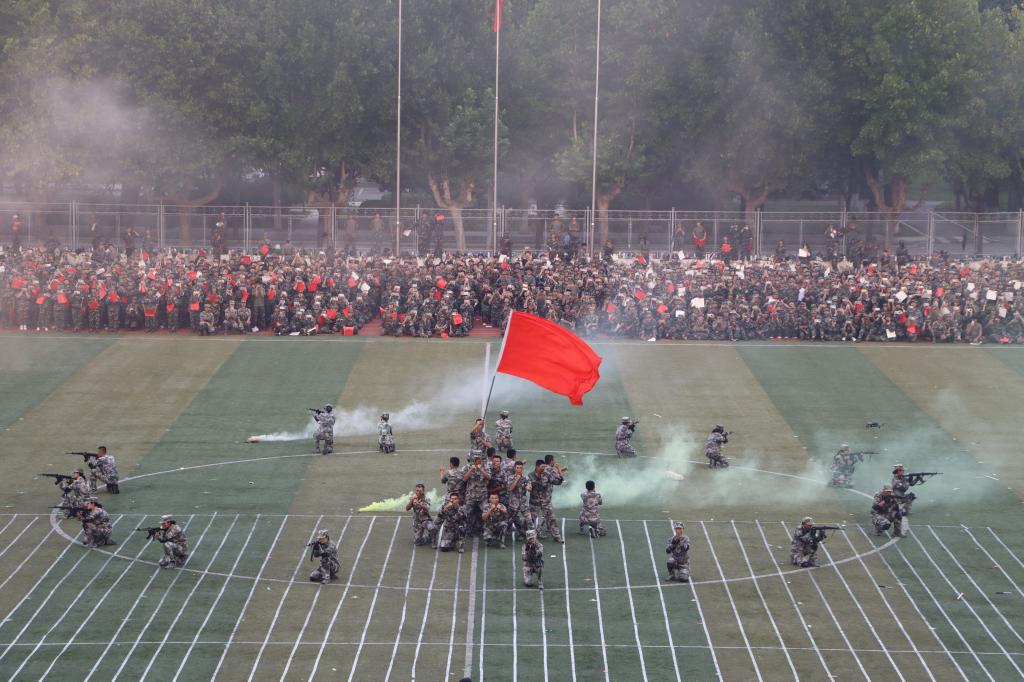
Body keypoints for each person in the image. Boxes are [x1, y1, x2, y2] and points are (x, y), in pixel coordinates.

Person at [529, 460, 563, 543]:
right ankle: (531, 537)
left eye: (544, 466)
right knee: (531, 520)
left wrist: (560, 478)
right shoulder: (531, 475)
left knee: (552, 519)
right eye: (542, 467)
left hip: (546, 502)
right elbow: (536, 484)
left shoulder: (547, 474)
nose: (544, 468)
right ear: (537, 467)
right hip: (535, 502)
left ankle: (557, 536)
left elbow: (556, 482)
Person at [461, 453, 491, 536]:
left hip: (482, 496)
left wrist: (481, 469)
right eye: (475, 459)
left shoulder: (485, 466)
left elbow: (489, 477)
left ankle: (487, 532)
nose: (477, 460)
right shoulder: (467, 467)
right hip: (471, 496)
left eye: (479, 458)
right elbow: (464, 479)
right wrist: (471, 470)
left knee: (487, 513)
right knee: (466, 513)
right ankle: (467, 530)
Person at [504, 460, 533, 541]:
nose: (519, 469)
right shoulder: (510, 477)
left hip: (523, 503)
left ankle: (532, 539)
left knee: (529, 521)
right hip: (513, 503)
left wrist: (529, 487)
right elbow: (510, 489)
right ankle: (501, 536)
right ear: (514, 468)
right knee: (508, 521)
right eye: (517, 468)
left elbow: (529, 487)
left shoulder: (526, 478)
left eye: (520, 468)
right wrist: (516, 479)